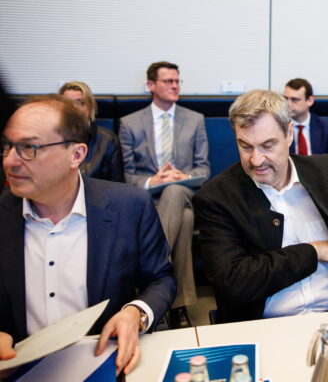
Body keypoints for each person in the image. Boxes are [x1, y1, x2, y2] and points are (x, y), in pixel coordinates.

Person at [0, 95, 175, 375]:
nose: (10, 161)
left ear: (77, 155)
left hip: (104, 361)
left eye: (28, 148)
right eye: (7, 146)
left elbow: (161, 278)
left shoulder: (129, 207)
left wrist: (136, 312)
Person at [192, 90, 328, 323]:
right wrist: (314, 251)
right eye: (245, 146)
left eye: (267, 145)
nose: (256, 160)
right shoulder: (216, 197)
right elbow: (232, 282)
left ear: (289, 133)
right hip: (266, 324)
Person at [119, 61, 209, 328]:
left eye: (178, 81)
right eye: (168, 81)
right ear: (150, 85)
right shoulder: (130, 124)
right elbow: (128, 176)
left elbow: (204, 170)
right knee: (186, 219)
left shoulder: (195, 120)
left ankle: (152, 269)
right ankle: (177, 305)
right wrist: (152, 180)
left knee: (174, 191)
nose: (175, 86)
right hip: (149, 199)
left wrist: (184, 177)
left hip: (184, 192)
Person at [58, 81, 125, 182]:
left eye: (80, 103)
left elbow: (117, 185)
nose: (73, 108)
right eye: (67, 103)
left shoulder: (107, 140)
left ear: (90, 107)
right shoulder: (51, 137)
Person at [283, 78, 328, 155]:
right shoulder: (280, 127)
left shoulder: (326, 127)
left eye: (294, 100)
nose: (288, 104)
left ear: (310, 101)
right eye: (286, 99)